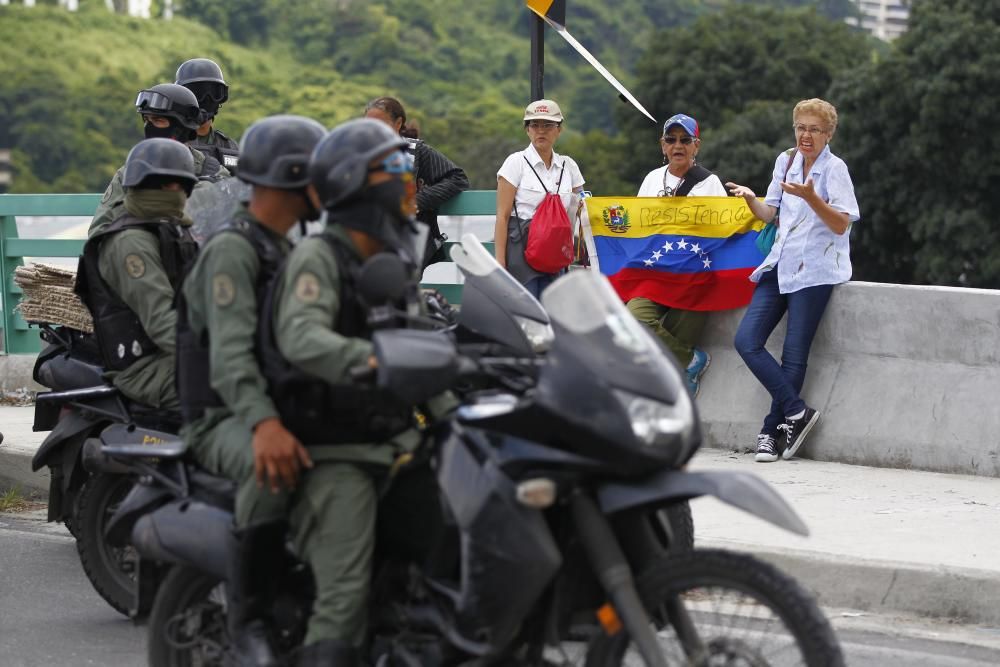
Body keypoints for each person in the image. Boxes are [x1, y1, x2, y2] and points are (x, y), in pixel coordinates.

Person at [262, 118, 428, 664]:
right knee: (344, 597)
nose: (408, 181)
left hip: (393, 434)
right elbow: (302, 337)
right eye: (395, 170)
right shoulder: (320, 256)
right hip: (338, 448)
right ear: (359, 182)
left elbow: (422, 341)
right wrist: (374, 359)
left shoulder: (392, 257)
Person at [177, 115, 327, 666]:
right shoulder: (234, 251)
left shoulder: (283, 249)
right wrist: (264, 427)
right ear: (290, 178)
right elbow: (231, 356)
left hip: (270, 403)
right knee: (277, 473)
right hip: (222, 417)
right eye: (316, 177)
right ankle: (249, 619)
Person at [726, 98, 859, 463]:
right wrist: (752, 200)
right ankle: (798, 413)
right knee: (746, 340)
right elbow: (772, 213)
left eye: (814, 129)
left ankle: (771, 431)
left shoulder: (835, 169)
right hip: (781, 264)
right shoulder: (785, 161)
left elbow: (840, 223)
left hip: (816, 270)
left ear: (828, 133)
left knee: (794, 355)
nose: (806, 135)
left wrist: (813, 198)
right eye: (801, 127)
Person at [75, 138, 198, 410]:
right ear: (148, 185)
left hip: (175, 352)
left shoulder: (173, 231)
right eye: (169, 185)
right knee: (233, 394)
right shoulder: (130, 242)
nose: (178, 193)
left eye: (182, 186)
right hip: (144, 365)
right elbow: (163, 320)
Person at [631, 113, 728, 397]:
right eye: (671, 140)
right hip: (655, 273)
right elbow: (636, 225)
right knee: (634, 320)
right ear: (662, 145)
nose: (678, 145)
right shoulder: (651, 180)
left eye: (685, 140)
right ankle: (690, 359)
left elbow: (724, 229)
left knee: (671, 338)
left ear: (696, 146)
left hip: (693, 277)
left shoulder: (709, 184)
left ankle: (668, 387)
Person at [88, 82, 230, 237]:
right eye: (146, 120)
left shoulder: (214, 172)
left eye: (158, 121)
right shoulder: (130, 172)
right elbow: (99, 231)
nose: (149, 127)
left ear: (181, 126)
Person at [364, 96, 469, 268]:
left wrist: (417, 201)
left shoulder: (416, 151)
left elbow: (458, 178)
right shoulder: (359, 152)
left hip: (407, 241)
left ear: (398, 124)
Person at [495, 99, 586, 298]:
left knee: (554, 311)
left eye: (548, 125)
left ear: (559, 130)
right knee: (528, 312)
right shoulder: (515, 163)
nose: (540, 131)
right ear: (527, 130)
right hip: (522, 249)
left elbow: (583, 207)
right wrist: (500, 263)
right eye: (534, 125)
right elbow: (502, 216)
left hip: (556, 252)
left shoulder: (568, 166)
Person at [175, 57, 241, 172]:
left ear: (222, 97)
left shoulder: (230, 146)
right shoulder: (172, 143)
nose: (207, 100)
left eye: (214, 93)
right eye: (197, 93)